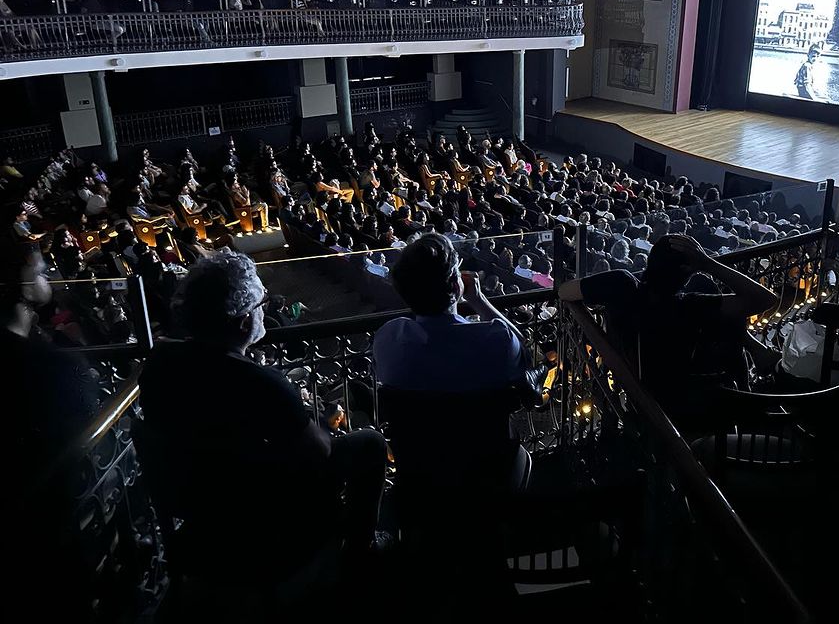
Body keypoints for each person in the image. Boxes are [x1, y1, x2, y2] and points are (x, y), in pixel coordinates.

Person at [139, 251, 387, 577]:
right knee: (370, 442)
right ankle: (359, 547)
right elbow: (320, 452)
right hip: (256, 505)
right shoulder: (258, 382)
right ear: (244, 321)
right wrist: (325, 424)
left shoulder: (159, 365)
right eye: (260, 307)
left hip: (198, 500)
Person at [558, 234, 777, 418]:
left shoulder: (620, 284)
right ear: (687, 273)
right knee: (727, 312)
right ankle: (751, 374)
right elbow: (765, 300)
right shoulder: (688, 306)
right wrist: (708, 264)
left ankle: (755, 354)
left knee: (719, 305)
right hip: (682, 403)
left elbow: (564, 291)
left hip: (638, 388)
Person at [4, 241, 100, 618]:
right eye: (42, 272)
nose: (48, 278)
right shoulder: (47, 368)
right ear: (21, 285)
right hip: (43, 536)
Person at [374, 233, 534, 393]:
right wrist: (478, 299)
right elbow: (524, 357)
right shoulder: (496, 338)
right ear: (456, 287)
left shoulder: (388, 337)